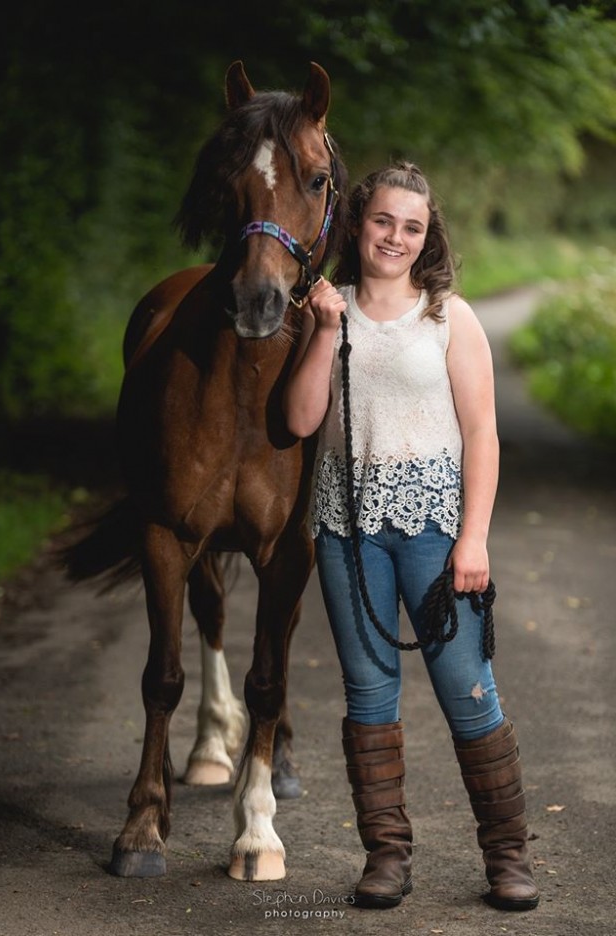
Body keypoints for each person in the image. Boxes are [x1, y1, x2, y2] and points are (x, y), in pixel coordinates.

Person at [283, 161, 539, 912]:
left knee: (467, 690)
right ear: (357, 222)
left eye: (411, 226)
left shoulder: (447, 316)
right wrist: (326, 329)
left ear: (426, 238)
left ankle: (507, 858)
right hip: (344, 533)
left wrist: (474, 538)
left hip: (434, 531)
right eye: (382, 220)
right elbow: (300, 422)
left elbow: (482, 433)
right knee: (368, 693)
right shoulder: (323, 311)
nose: (394, 237)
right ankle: (386, 857)